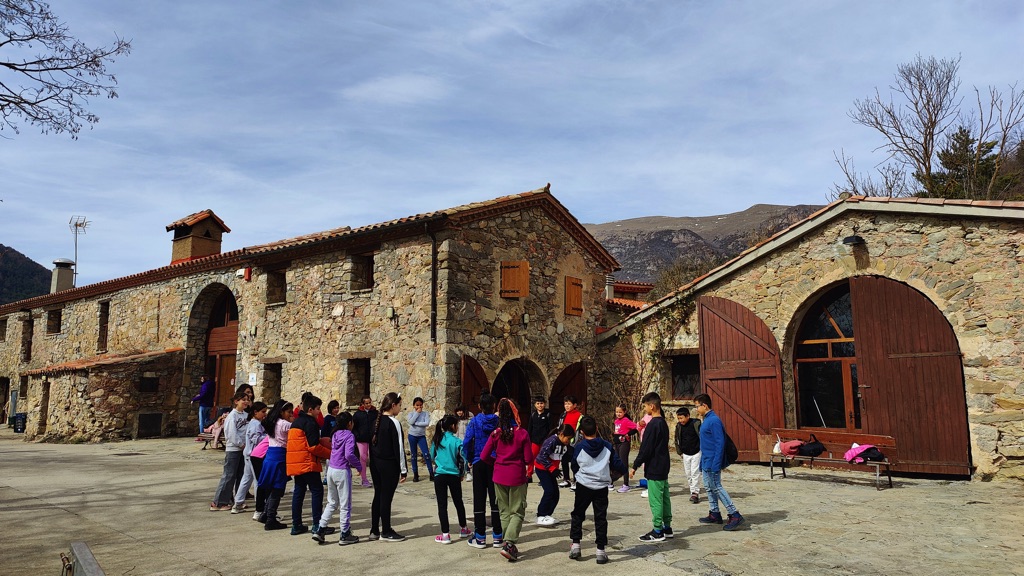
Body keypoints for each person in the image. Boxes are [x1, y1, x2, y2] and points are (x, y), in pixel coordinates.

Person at [569, 415, 627, 564]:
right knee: (600, 518)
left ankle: (576, 545)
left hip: (583, 485)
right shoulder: (607, 446)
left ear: (582, 432)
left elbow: (574, 465)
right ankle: (600, 551)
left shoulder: (579, 447)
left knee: (578, 514)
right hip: (601, 486)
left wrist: (579, 475)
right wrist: (614, 476)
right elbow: (618, 465)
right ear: (597, 428)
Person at [481, 398, 533, 562]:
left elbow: (484, 456)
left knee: (504, 511)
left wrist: (496, 462)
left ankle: (507, 542)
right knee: (517, 511)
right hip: (517, 476)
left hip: (499, 475)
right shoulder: (522, 433)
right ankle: (510, 543)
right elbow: (528, 458)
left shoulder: (496, 433)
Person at [694, 393, 744, 531]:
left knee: (716, 486)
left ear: (705, 405)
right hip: (706, 460)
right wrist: (701, 463)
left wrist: (716, 463)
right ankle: (714, 512)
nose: (696, 409)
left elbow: (719, 443)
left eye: (697, 406)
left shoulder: (714, 420)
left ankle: (734, 513)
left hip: (712, 461)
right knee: (708, 487)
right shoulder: (706, 420)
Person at [286, 392, 331, 537]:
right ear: (310, 409)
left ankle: (296, 524)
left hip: (296, 463)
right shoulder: (310, 423)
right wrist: (331, 454)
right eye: (318, 409)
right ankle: (317, 524)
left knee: (299, 492)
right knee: (317, 491)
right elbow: (313, 446)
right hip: (307, 462)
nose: (319, 412)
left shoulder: (296, 422)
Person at [630, 391, 673, 542]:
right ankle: (667, 527)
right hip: (663, 465)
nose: (645, 409)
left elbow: (646, 449)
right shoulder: (663, 423)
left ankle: (657, 530)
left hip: (655, 467)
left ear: (652, 406)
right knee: (665, 498)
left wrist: (635, 465)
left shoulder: (653, 425)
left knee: (656, 500)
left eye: (645, 406)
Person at [314, 411, 361, 545]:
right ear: (349, 423)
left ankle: (320, 529)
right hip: (342, 471)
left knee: (332, 502)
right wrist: (359, 466)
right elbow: (349, 454)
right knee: (345, 504)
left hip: (331, 469)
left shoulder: (335, 434)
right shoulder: (349, 435)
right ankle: (345, 533)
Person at [462, 393, 501, 549]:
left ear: (479, 406)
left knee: (479, 499)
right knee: (495, 499)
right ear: (494, 406)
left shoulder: (475, 421)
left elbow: (467, 441)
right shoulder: (498, 422)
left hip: (479, 460)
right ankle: (498, 535)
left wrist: (469, 458)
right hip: (495, 462)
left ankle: (480, 537)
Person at [369, 392, 408, 542]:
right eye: (399, 405)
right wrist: (403, 470)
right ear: (393, 405)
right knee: (386, 497)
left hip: (375, 464)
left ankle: (374, 529)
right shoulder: (394, 423)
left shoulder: (376, 421)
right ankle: (386, 530)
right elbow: (399, 448)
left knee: (378, 495)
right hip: (389, 465)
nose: (400, 408)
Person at [430, 414, 470, 544]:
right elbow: (463, 459)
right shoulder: (457, 441)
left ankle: (445, 534)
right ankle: (463, 528)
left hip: (440, 475)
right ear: (453, 426)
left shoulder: (437, 439)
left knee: (442, 505)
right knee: (458, 502)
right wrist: (462, 473)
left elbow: (432, 456)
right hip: (454, 475)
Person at [210, 390, 250, 511]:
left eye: (247, 400)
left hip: (244, 449)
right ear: (236, 401)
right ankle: (219, 502)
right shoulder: (232, 416)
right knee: (229, 475)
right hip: (234, 449)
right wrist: (241, 444)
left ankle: (238, 500)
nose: (246, 402)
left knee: (241, 475)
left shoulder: (245, 415)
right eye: (243, 400)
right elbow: (231, 434)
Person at [257, 400, 294, 530]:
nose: (291, 414)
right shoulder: (284, 424)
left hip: (270, 455)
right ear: (281, 412)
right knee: (277, 489)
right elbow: (297, 428)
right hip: (279, 456)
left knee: (271, 487)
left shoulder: (272, 422)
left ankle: (265, 513)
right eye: (289, 412)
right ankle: (271, 519)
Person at [534, 423, 574, 526]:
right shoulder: (551, 441)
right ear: (561, 434)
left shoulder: (564, 444)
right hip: (542, 469)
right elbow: (541, 457)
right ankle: (541, 515)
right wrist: (552, 468)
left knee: (555, 494)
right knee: (549, 491)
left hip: (551, 470)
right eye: (568, 438)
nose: (568, 441)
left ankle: (548, 515)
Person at [233, 401, 268, 514]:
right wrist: (268, 436)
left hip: (249, 454)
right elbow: (256, 439)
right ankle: (260, 507)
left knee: (247, 478)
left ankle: (238, 503)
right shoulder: (255, 424)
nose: (265, 414)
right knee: (258, 481)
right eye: (263, 412)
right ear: (255, 412)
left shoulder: (254, 423)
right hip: (254, 455)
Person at [675, 406, 703, 504]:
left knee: (695, 473)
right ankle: (692, 490)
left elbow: (702, 436)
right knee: (688, 474)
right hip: (685, 453)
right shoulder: (678, 426)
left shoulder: (696, 424)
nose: (680, 420)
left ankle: (695, 493)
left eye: (681, 418)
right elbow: (676, 439)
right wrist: (680, 452)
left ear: (688, 416)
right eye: (678, 418)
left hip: (696, 452)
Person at [556, 395, 583, 489]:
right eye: (565, 404)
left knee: (574, 462)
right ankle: (566, 479)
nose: (567, 406)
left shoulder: (579, 416)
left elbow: (580, 429)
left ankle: (576, 480)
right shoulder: (563, 415)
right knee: (563, 460)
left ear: (574, 405)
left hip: (574, 442)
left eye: (569, 404)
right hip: (564, 441)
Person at [406, 397, 434, 482]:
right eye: (417, 405)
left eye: (420, 405)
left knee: (426, 454)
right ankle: (415, 474)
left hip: (421, 436)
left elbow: (426, 423)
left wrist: (417, 423)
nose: (419, 407)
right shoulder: (411, 414)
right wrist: (417, 413)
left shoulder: (425, 414)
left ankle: (431, 473)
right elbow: (411, 422)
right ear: (414, 405)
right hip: (412, 436)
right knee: (413, 455)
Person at [611, 404, 638, 492]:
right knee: (616, 462)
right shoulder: (616, 421)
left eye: (620, 412)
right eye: (617, 412)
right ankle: (611, 481)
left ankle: (626, 484)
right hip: (617, 444)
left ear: (624, 412)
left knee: (623, 463)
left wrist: (628, 434)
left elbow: (636, 427)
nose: (618, 414)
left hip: (624, 444)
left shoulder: (626, 420)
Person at [353, 396, 377, 488]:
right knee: (363, 458)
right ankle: (364, 479)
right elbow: (354, 427)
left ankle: (376, 478)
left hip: (372, 439)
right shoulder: (357, 414)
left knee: (373, 458)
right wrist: (357, 435)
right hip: (361, 439)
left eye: (369, 402)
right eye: (366, 403)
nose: (368, 405)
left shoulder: (375, 413)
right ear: (362, 404)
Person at [526, 396, 551, 481]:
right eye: (538, 403)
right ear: (535, 405)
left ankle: (543, 477)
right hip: (535, 440)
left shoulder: (548, 414)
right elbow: (530, 428)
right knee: (531, 457)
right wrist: (529, 439)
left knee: (544, 458)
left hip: (544, 441)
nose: (540, 405)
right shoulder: (533, 415)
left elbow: (550, 428)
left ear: (544, 404)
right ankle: (529, 475)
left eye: (541, 403)